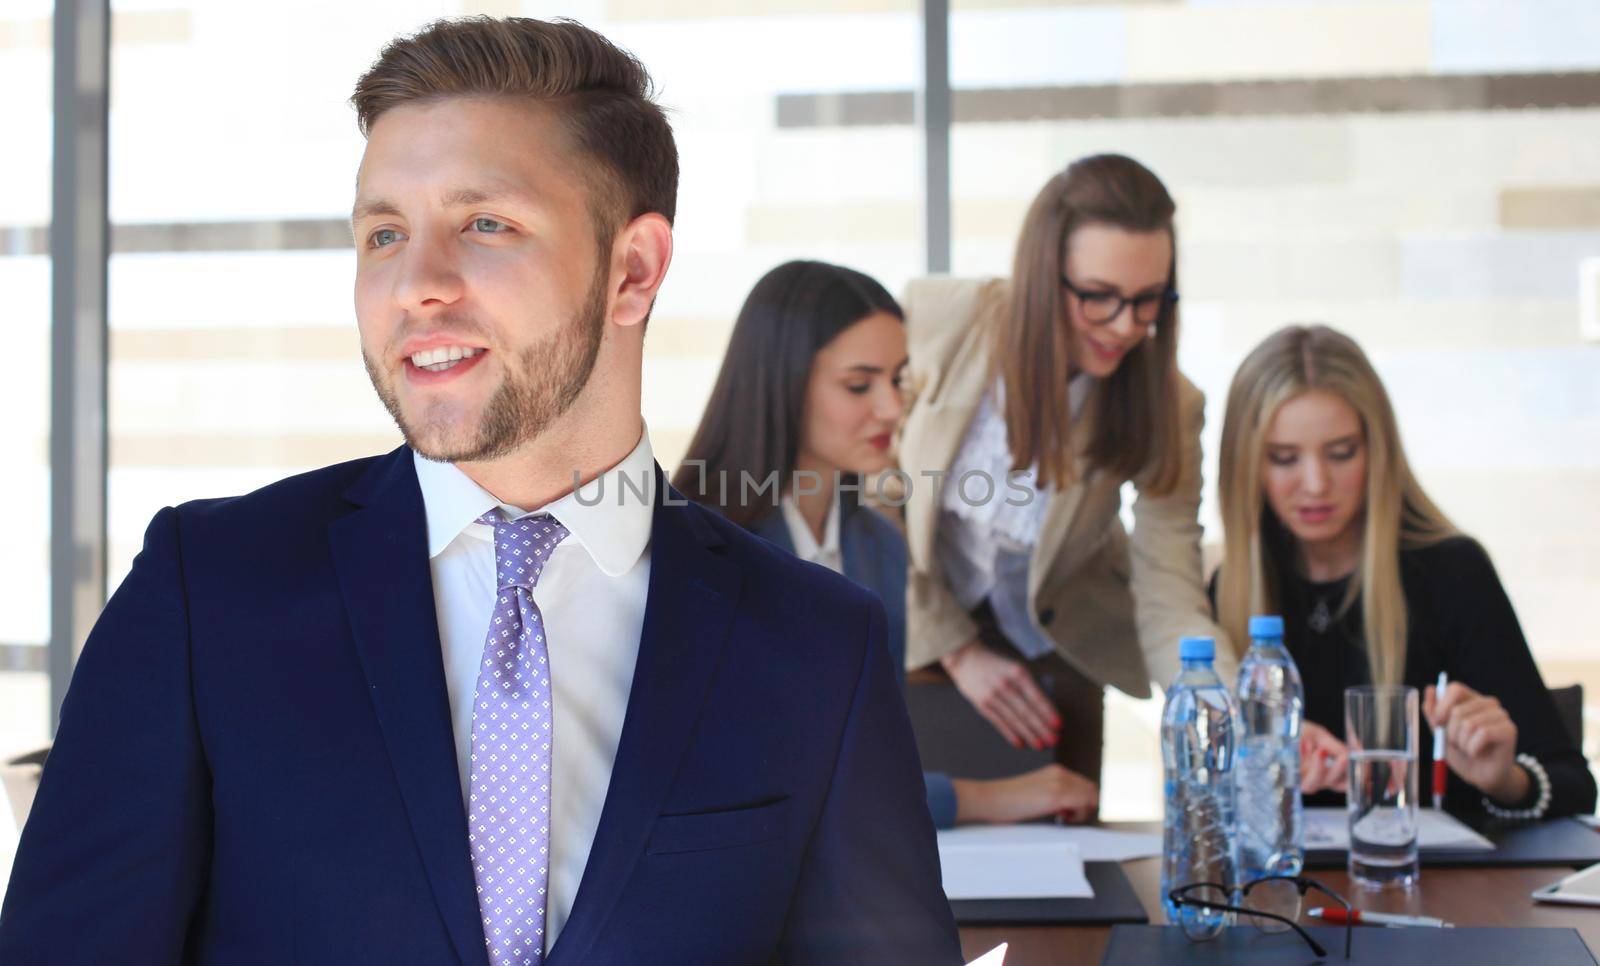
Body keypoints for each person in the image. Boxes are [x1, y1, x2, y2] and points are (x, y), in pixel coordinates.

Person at [0, 18, 961, 965]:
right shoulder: (206, 591)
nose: (415, 284)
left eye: (485, 225)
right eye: (383, 233)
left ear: (633, 270)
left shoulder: (816, 646)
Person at [674, 260, 1099, 827]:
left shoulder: (879, 547)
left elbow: (873, 762)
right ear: (783, 384)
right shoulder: (696, 549)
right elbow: (757, 781)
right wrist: (984, 800)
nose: (894, 409)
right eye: (859, 385)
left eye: (898, 380)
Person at [896, 154, 1230, 782]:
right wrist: (958, 649)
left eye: (1148, 300)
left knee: (1069, 867)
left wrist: (1225, 704)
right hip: (916, 642)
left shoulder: (1171, 403)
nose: (1126, 325)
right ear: (1044, 275)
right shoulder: (938, 317)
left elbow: (1168, 585)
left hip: (1062, 666)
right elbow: (872, 496)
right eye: (1099, 296)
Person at [1213, 324, 1596, 820]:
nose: (1315, 484)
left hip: (1438, 889)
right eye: (1284, 459)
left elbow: (1572, 786)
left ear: (1378, 452)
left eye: (1341, 453)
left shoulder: (1452, 573)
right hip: (1284, 891)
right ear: (1247, 467)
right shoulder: (1232, 589)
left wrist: (1504, 778)